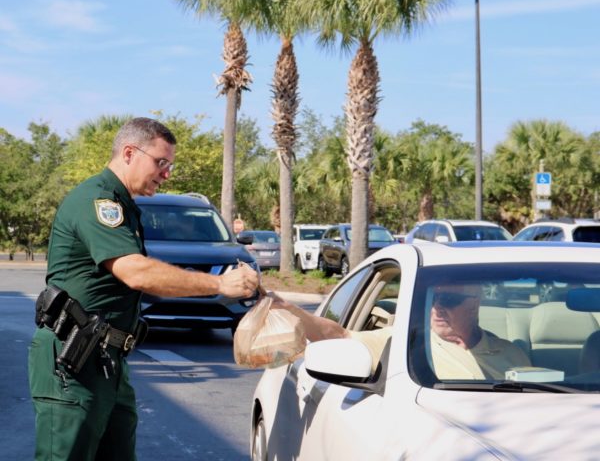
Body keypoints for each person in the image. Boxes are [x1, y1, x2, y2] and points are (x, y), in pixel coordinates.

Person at [28, 117, 259, 461]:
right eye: (160, 162)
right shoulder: (97, 201)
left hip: (107, 361)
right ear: (129, 152)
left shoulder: (124, 206)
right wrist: (220, 283)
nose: (166, 173)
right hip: (72, 361)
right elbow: (135, 272)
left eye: (170, 165)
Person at [272, 283, 530, 380]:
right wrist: (284, 306)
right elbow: (340, 337)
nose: (438, 308)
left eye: (449, 300)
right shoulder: (405, 342)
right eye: (433, 300)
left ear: (474, 304)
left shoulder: (512, 355)